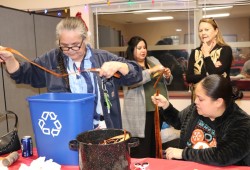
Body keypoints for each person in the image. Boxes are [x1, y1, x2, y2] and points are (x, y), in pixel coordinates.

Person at [0, 16, 142, 129]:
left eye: (75, 45)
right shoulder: (52, 59)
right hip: (67, 129)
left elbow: (136, 75)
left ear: (85, 39)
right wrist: (10, 59)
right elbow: (25, 73)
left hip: (103, 129)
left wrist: (119, 65)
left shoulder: (103, 58)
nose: (70, 51)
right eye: (64, 47)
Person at [151, 74, 250, 166]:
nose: (195, 102)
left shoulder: (241, 123)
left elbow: (222, 155)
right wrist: (166, 106)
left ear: (218, 102)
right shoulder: (196, 109)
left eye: (200, 99)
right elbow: (178, 121)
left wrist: (184, 154)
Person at [122, 36, 173, 158]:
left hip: (157, 109)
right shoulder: (127, 65)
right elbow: (134, 81)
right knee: (141, 147)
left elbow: (167, 81)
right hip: (140, 112)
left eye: (144, 47)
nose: (143, 50)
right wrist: (151, 71)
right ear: (132, 49)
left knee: (154, 145)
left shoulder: (152, 60)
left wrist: (167, 75)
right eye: (139, 48)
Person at [186, 18, 233, 100]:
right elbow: (189, 78)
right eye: (200, 30)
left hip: (219, 98)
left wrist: (206, 55)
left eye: (206, 29)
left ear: (216, 31)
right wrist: (209, 74)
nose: (203, 33)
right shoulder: (195, 52)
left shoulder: (225, 50)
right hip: (198, 99)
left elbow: (215, 76)